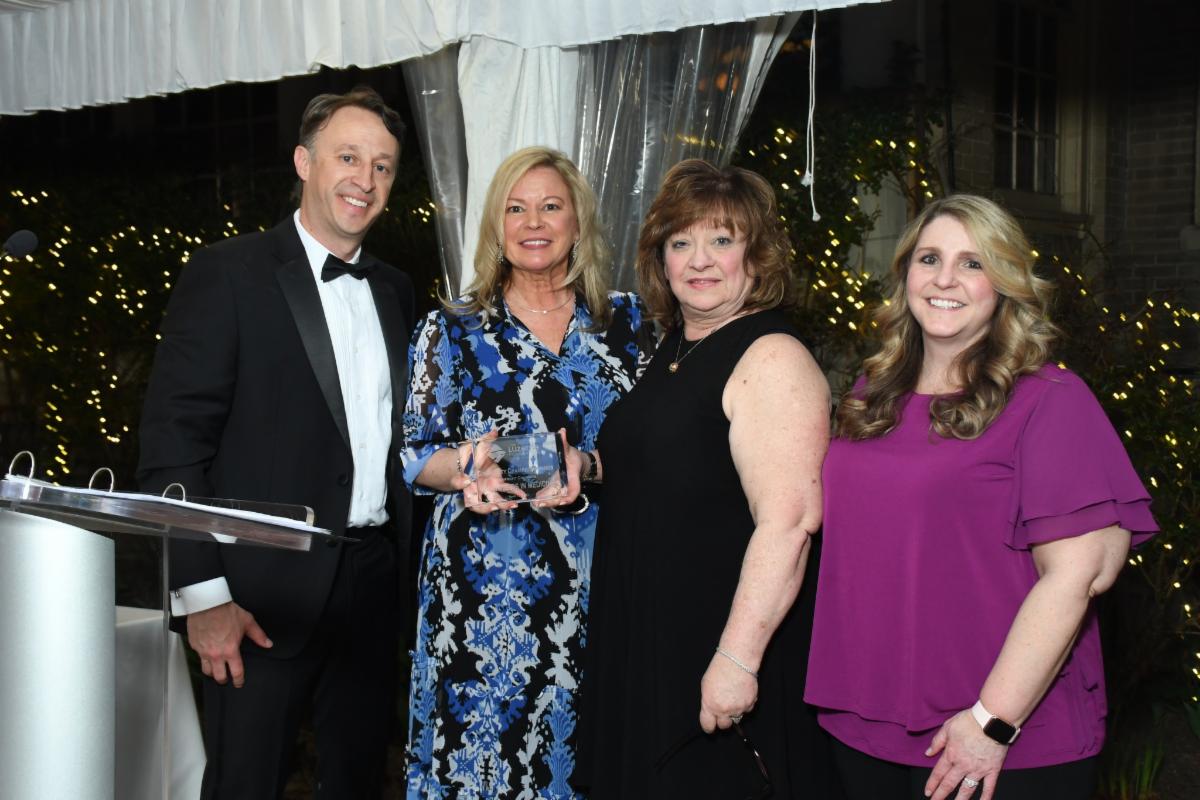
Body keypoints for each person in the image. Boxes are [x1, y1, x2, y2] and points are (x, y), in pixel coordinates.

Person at [806, 194, 1159, 800]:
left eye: (972, 263)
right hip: (863, 722)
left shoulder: (1049, 400)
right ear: (906, 275)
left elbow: (1076, 577)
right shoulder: (870, 395)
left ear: (1005, 284)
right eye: (929, 258)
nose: (945, 279)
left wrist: (992, 721)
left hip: (994, 738)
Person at [137, 86, 415, 799]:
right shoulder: (226, 274)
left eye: (382, 166)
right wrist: (203, 598)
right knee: (245, 786)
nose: (365, 179)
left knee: (358, 784)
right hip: (253, 598)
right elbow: (174, 449)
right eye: (347, 157)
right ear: (303, 161)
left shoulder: (396, 291)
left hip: (371, 585)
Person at [573, 159, 839, 799]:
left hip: (715, 642)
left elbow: (790, 523)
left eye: (722, 240)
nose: (699, 260)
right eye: (681, 241)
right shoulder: (675, 346)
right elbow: (667, 464)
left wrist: (737, 659)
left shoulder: (771, 356)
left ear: (758, 255)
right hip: (650, 636)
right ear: (660, 257)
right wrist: (584, 467)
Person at [402, 145, 655, 798]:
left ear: (578, 221)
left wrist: (588, 465)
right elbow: (414, 456)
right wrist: (468, 468)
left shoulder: (630, 322)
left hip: (604, 582)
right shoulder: (451, 328)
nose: (533, 223)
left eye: (550, 206)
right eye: (516, 209)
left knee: (593, 758)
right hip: (483, 594)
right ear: (497, 224)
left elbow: (659, 449)